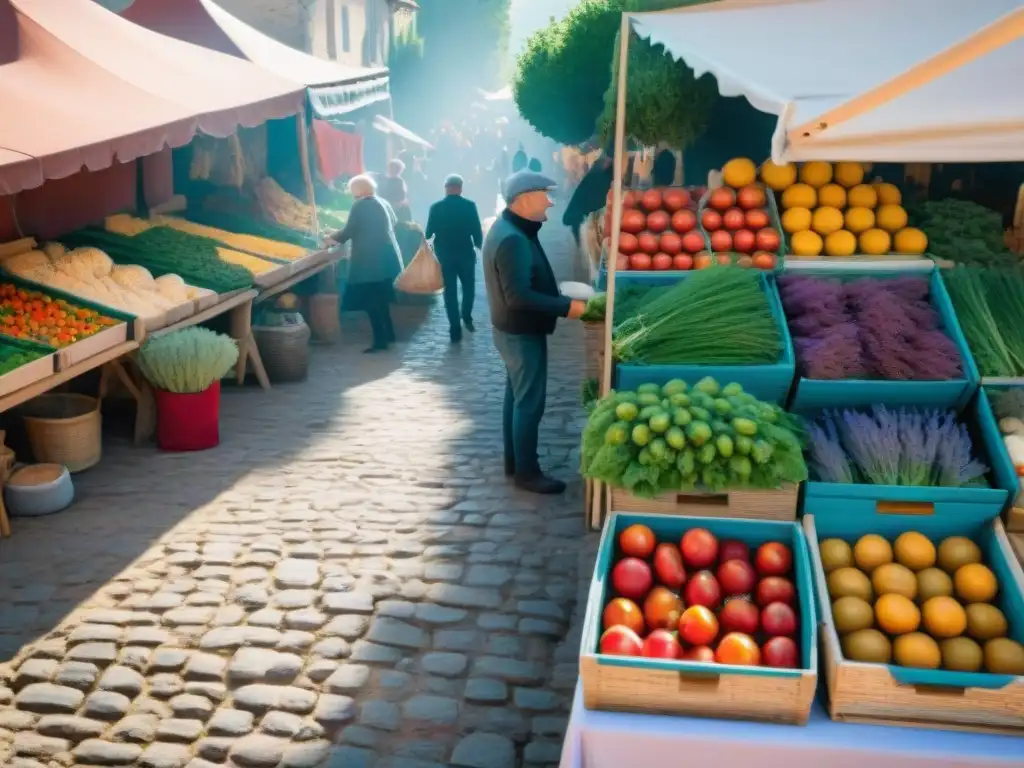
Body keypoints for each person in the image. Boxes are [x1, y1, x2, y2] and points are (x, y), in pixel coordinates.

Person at [482, 171, 587, 495]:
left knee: (516, 397)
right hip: (520, 332)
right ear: (525, 198)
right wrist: (567, 307)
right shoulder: (513, 237)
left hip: (511, 330)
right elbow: (519, 296)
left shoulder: (512, 229)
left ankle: (515, 462)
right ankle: (527, 472)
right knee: (529, 402)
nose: (551, 201)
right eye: (545, 194)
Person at [329, 174, 404, 354]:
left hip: (370, 261)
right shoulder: (382, 202)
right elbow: (394, 222)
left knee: (372, 302)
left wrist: (330, 237)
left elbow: (349, 230)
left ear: (358, 191)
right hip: (387, 258)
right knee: (382, 298)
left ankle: (380, 341)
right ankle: (389, 334)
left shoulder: (361, 205)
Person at [425, 174, 483, 343]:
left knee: (449, 292)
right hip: (465, 252)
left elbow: (429, 233)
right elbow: (476, 229)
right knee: (469, 287)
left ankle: (454, 328)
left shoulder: (436, 207)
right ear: (460, 188)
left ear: (446, 188)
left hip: (444, 255)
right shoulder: (469, 206)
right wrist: (479, 245)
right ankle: (466, 315)